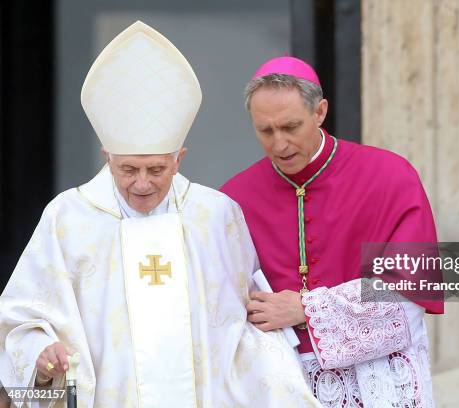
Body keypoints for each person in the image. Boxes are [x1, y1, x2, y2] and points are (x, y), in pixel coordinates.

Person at [0, 23, 319, 408]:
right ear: (108, 158)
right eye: (128, 170)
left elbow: (244, 329)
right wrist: (42, 353)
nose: (142, 184)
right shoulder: (68, 217)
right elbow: (22, 316)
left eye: (156, 170)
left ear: (178, 159)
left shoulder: (216, 215)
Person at [220, 56, 444, 407]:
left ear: (320, 112)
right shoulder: (233, 200)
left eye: (291, 127)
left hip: (377, 383)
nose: (279, 144)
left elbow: (409, 296)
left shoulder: (389, 178)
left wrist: (305, 309)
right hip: (281, 385)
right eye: (265, 131)